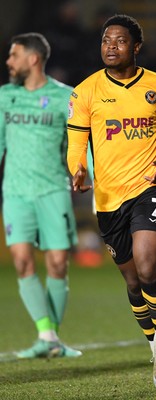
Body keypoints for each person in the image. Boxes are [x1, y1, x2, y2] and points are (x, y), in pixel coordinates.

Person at [67, 14, 156, 392]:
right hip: (108, 198)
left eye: (118, 41)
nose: (110, 46)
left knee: (149, 268)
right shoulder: (85, 91)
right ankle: (152, 341)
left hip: (152, 186)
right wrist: (78, 169)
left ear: (136, 47)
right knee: (133, 281)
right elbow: (76, 144)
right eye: (105, 41)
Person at [0, 33, 82, 359]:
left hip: (53, 190)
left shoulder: (65, 97)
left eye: (13, 55)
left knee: (58, 263)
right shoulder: (5, 96)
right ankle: (46, 336)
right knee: (22, 261)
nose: (8, 62)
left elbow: (79, 142)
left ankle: (52, 338)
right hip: (16, 192)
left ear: (32, 59)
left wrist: (83, 170)